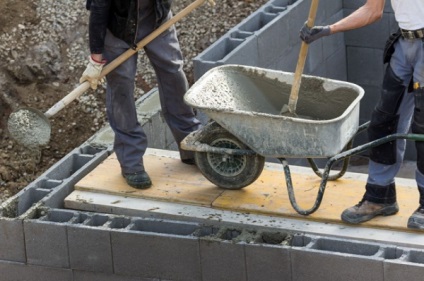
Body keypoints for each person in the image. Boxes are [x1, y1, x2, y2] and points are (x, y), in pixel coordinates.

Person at [300, 0, 424, 229]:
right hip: (404, 44)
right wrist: (329, 30)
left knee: (423, 129)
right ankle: (380, 196)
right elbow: (372, 11)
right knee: (383, 123)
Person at [80, 0, 201, 189]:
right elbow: (99, 8)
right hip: (118, 28)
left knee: (173, 72)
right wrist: (96, 58)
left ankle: (190, 143)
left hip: (156, 17)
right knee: (122, 89)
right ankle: (131, 161)